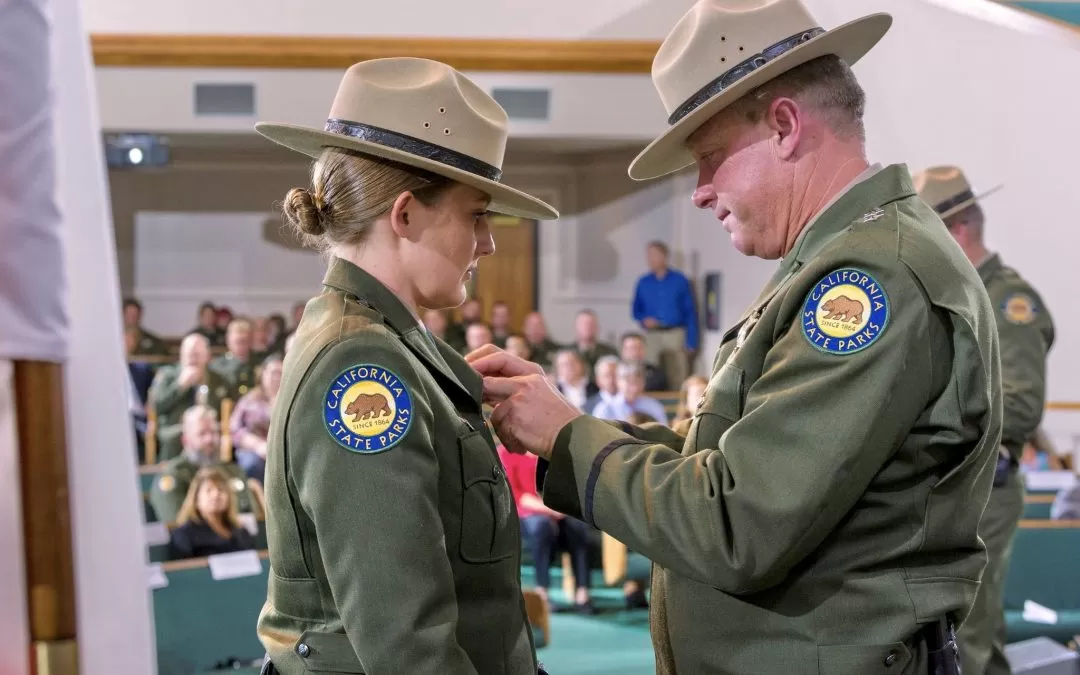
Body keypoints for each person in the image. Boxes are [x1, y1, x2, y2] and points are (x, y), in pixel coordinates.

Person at [469, 2, 1002, 673]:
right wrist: (566, 426)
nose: (699, 191)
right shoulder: (836, 259)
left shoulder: (870, 280)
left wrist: (570, 437)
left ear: (784, 125)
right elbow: (724, 462)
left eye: (710, 157)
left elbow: (737, 522)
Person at [252, 56, 558, 675]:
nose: (488, 242)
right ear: (406, 214)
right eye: (476, 214)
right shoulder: (362, 366)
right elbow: (408, 647)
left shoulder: (393, 342)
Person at [915, 165, 1055, 675]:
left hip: (986, 489)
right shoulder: (960, 294)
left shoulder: (1005, 301)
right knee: (952, 636)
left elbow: (1020, 406)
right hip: (956, 486)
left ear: (957, 231)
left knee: (970, 637)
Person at [148, 405, 254, 524]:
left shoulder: (232, 471)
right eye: (201, 434)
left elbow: (250, 516)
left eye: (213, 432)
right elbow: (175, 524)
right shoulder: (174, 475)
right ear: (185, 440)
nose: (209, 439)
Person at [631, 241, 699, 387]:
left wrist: (691, 342)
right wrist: (644, 319)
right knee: (650, 372)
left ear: (664, 256)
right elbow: (635, 310)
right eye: (648, 255)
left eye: (654, 255)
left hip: (675, 333)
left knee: (678, 373)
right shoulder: (643, 282)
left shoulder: (680, 280)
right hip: (652, 335)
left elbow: (690, 312)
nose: (650, 259)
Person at [168, 466, 256, 560]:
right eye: (209, 490)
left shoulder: (240, 531)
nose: (216, 495)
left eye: (221, 490)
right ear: (196, 499)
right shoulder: (184, 534)